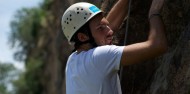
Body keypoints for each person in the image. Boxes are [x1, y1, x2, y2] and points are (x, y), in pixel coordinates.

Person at [61, 0, 167, 93]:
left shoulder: (73, 61)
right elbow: (158, 45)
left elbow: (106, 27)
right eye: (101, 28)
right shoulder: (99, 57)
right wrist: (154, 12)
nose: (110, 31)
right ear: (83, 37)